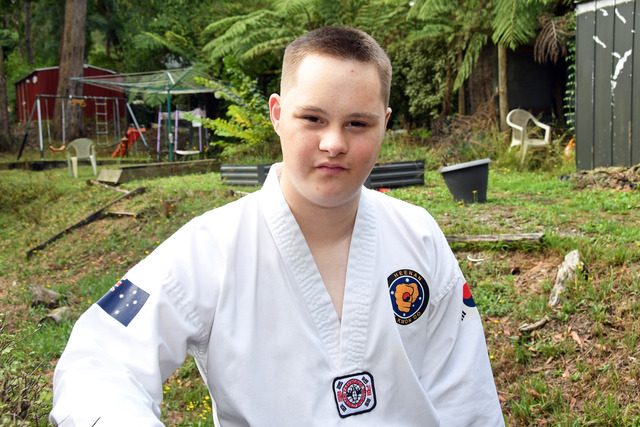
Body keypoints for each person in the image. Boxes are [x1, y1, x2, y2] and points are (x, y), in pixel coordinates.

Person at [50, 26, 504, 426]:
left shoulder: (418, 236)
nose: (334, 143)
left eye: (357, 123)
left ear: (384, 124)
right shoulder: (210, 248)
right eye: (313, 119)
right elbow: (98, 363)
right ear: (277, 114)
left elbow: (466, 397)